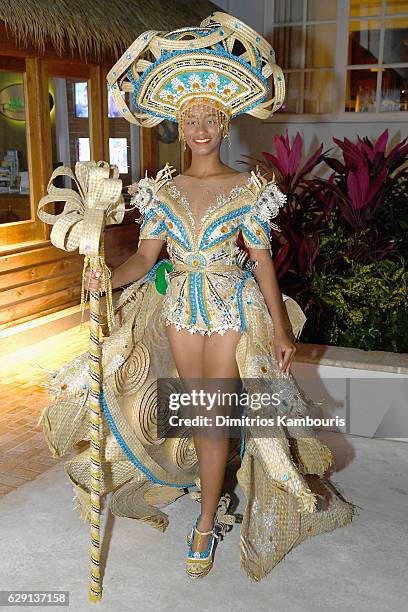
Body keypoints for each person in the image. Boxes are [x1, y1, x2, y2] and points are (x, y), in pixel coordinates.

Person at [39, 12, 355, 582]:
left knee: (211, 415)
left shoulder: (247, 187)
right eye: (191, 119)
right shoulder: (161, 190)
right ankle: (214, 478)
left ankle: (207, 519)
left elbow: (260, 262)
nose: (201, 128)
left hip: (233, 308)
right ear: (178, 128)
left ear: (225, 122)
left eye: (210, 117)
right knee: (195, 412)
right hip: (179, 307)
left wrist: (282, 331)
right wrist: (108, 277)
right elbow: (143, 258)